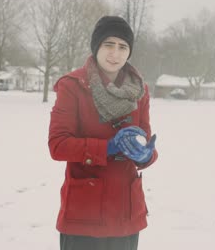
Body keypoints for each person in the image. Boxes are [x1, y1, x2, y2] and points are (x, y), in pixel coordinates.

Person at [48, 15, 158, 250]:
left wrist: (145, 155)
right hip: (84, 215)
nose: (115, 54)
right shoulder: (73, 85)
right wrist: (107, 147)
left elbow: (146, 139)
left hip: (126, 214)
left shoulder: (140, 90)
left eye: (123, 47)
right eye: (109, 44)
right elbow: (57, 145)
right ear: (96, 46)